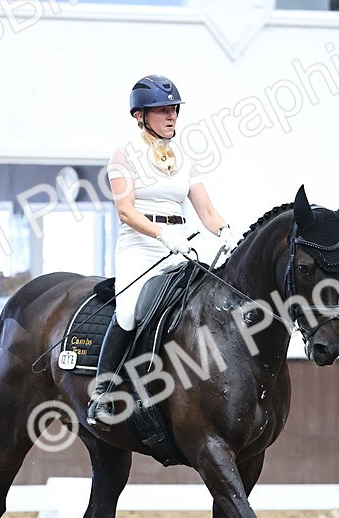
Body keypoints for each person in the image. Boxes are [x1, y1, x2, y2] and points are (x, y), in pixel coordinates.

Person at [87, 74, 234, 429]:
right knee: (128, 312)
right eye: (162, 111)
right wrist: (162, 234)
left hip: (180, 244)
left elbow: (206, 211)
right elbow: (125, 210)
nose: (171, 116)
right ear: (141, 116)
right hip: (140, 245)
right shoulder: (125, 153)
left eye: (173, 110)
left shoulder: (184, 158)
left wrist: (227, 232)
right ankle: (104, 393)